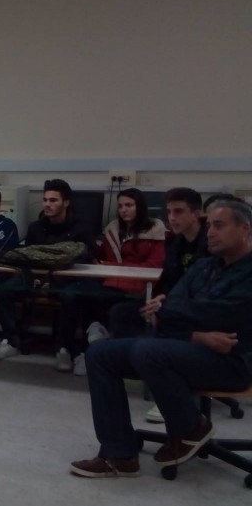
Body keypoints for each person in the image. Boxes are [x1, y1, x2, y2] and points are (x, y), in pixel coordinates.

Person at [69, 199, 252, 479]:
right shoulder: (204, 266)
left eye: (219, 225)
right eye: (209, 226)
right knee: (101, 355)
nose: (211, 233)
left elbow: (219, 315)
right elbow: (173, 307)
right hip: (187, 347)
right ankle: (119, 454)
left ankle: (191, 427)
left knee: (149, 350)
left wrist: (170, 314)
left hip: (232, 361)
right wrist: (195, 333)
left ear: (245, 229)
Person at [106, 187, 209, 424]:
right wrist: (158, 298)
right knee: (121, 313)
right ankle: (142, 374)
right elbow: (167, 279)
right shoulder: (174, 242)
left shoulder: (209, 243)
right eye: (169, 212)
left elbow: (203, 287)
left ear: (195, 214)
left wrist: (166, 303)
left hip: (197, 310)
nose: (172, 218)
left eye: (179, 212)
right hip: (172, 303)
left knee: (169, 322)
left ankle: (175, 397)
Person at [0, 179, 97, 368]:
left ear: (66, 202)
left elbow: (86, 261)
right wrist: (38, 277)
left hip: (66, 280)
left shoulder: (81, 229)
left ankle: (64, 349)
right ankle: (10, 341)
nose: (47, 204)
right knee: (4, 290)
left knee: (71, 297)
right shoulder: (36, 227)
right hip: (34, 277)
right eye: (45, 200)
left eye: (53, 200)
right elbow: (27, 257)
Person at [97, 188, 166, 294]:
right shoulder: (112, 230)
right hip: (111, 282)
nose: (123, 210)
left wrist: (110, 266)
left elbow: (153, 267)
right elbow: (101, 258)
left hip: (141, 285)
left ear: (140, 207)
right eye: (120, 206)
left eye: (128, 205)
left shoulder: (155, 231)